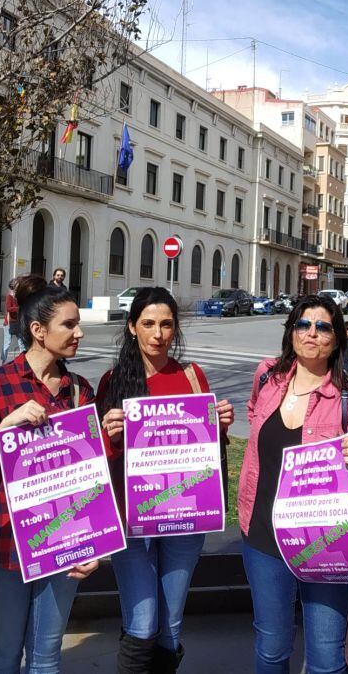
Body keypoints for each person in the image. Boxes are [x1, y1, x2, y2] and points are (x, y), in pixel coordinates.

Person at [238, 294, 348, 674]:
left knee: (325, 657)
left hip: (324, 542)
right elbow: (254, 415)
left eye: (323, 327)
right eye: (303, 324)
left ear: (336, 339)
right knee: (271, 646)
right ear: (291, 333)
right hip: (262, 537)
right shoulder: (267, 376)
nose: (312, 334)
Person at [97, 287, 235, 673]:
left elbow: (206, 447)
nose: (158, 333)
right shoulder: (112, 381)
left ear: (175, 329)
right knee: (141, 625)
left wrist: (220, 424)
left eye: (166, 324)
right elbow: (99, 461)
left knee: (169, 628)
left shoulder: (192, 376)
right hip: (132, 518)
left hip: (184, 517)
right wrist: (106, 434)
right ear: (131, 327)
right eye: (148, 324)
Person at [0, 285, 99, 673]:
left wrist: (93, 541)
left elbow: (90, 478)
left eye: (79, 324)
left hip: (63, 541)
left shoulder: (79, 391)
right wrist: (5, 429)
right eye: (69, 324)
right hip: (5, 542)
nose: (79, 333)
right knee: (5, 651)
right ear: (38, 330)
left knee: (46, 655)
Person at [1, 277, 20, 362]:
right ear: (13, 286)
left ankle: (23, 361)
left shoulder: (19, 296)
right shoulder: (9, 296)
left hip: (19, 322)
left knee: (22, 343)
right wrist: (19, 308)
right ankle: (3, 360)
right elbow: (9, 308)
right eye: (18, 284)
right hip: (9, 323)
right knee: (7, 343)